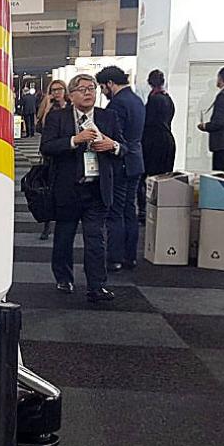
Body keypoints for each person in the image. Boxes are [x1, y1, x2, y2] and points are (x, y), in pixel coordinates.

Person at [40, 74, 122, 302]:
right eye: (83, 89)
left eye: (92, 88)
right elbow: (46, 147)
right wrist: (74, 140)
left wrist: (112, 146)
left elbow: (123, 149)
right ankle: (64, 278)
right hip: (68, 189)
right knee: (64, 238)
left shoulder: (108, 117)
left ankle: (97, 286)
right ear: (72, 95)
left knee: (95, 239)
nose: (88, 93)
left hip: (97, 189)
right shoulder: (58, 118)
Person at [97, 66, 145, 272]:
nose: (102, 92)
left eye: (101, 87)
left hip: (120, 161)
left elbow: (114, 136)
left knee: (115, 211)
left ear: (109, 83)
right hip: (136, 161)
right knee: (129, 211)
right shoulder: (137, 100)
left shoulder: (117, 104)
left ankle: (115, 257)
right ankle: (130, 257)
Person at [35, 80, 70, 240]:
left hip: (69, 152)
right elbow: (41, 127)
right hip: (51, 155)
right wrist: (48, 106)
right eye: (53, 90)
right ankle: (47, 225)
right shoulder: (49, 107)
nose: (56, 93)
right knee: (48, 189)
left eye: (59, 89)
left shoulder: (71, 107)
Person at [142, 70, 176, 217]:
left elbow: (148, 122)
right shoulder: (167, 98)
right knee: (163, 178)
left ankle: (148, 211)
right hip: (167, 140)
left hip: (154, 142)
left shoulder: (155, 99)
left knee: (150, 177)